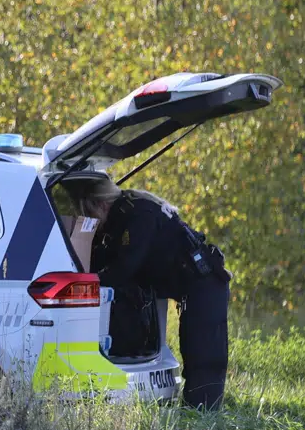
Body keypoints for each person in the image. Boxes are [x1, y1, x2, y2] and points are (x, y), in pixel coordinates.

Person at [67, 174, 232, 409]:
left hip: (205, 284)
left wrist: (90, 282)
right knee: (195, 352)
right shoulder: (126, 215)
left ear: (101, 204)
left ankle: (203, 417)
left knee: (204, 357)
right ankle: (197, 410)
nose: (93, 223)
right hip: (196, 286)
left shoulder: (137, 216)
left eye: (90, 215)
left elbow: (125, 267)